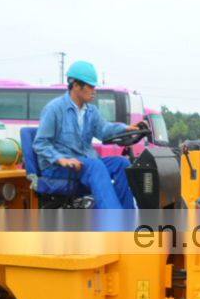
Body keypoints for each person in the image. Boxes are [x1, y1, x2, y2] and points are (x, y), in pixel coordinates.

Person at [32, 60, 139, 209]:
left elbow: (104, 130)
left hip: (83, 163)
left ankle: (126, 218)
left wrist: (125, 129)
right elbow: (41, 143)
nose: (94, 90)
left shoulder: (91, 111)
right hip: (59, 166)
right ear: (75, 85)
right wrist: (61, 159)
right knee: (95, 166)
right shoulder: (54, 109)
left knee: (122, 163)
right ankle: (113, 222)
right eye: (90, 86)